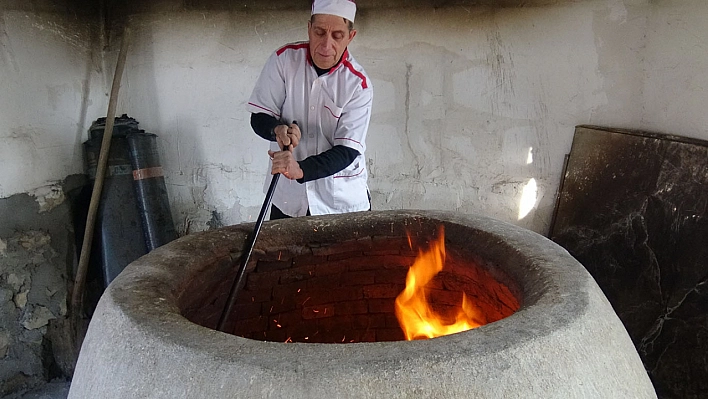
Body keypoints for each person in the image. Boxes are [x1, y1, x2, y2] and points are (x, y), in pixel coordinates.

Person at [247, 0, 373, 220]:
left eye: (337, 36)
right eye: (320, 32)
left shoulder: (358, 84)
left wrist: (301, 169)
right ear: (309, 28)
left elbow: (348, 150)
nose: (326, 45)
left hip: (340, 201)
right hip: (288, 198)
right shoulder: (284, 60)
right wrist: (277, 130)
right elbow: (259, 116)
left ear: (350, 37)